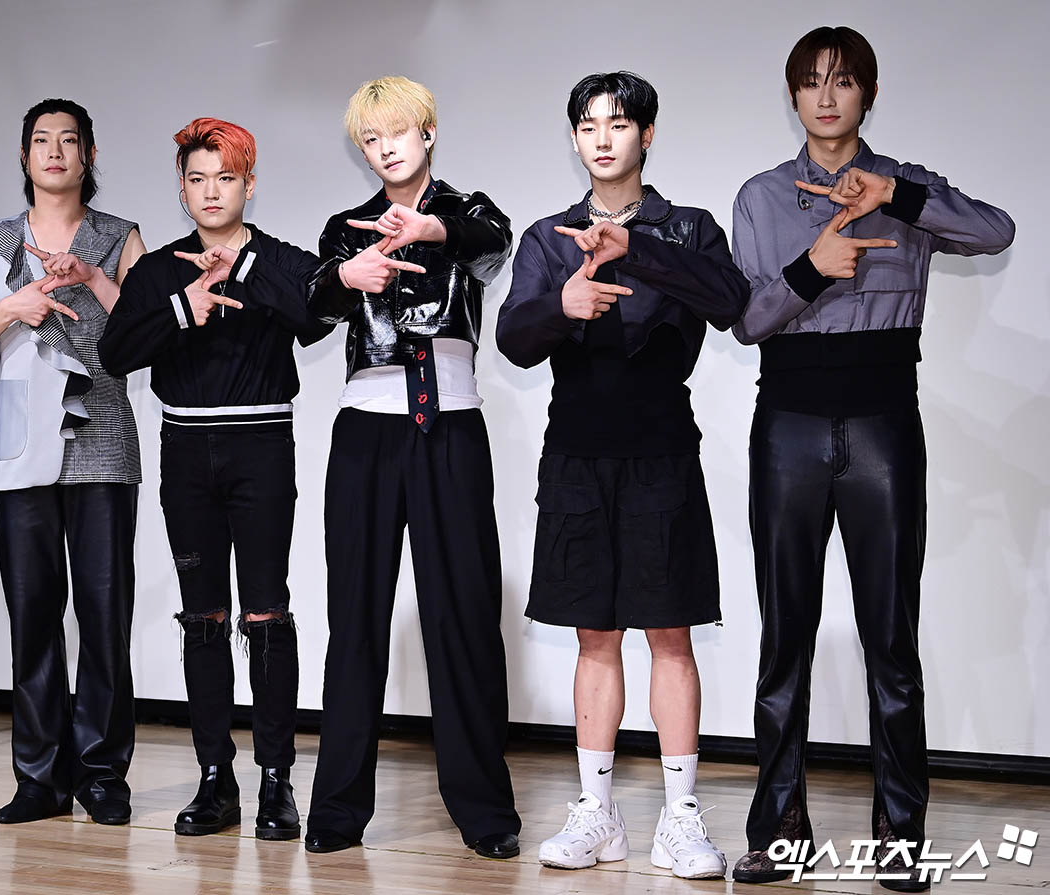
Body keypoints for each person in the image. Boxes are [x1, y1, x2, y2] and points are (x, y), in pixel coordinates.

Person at [728, 27, 1015, 891]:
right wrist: (813, 268)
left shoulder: (902, 187)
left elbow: (995, 231)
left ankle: (899, 832)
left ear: (869, 94)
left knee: (891, 637)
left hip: (885, 426)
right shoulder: (761, 196)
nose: (827, 97)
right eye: (811, 82)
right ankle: (781, 827)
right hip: (789, 428)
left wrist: (900, 195)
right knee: (786, 635)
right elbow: (747, 319)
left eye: (844, 80)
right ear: (792, 96)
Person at [496, 71, 748, 879]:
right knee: (593, 634)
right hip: (575, 454)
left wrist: (637, 248)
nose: (602, 138)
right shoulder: (549, 237)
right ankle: (596, 812)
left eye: (618, 123)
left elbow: (732, 302)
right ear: (574, 138)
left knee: (670, 633)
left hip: (661, 450)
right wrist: (560, 305)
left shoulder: (689, 228)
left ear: (647, 134)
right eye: (588, 125)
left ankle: (680, 816)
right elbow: (512, 338)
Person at [302, 76, 521, 859]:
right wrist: (345, 276)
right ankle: (336, 811)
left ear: (427, 131)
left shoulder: (470, 212)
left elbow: (492, 246)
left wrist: (430, 229)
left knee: (463, 618)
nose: (385, 147)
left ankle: (485, 811)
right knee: (355, 619)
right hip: (366, 431)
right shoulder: (346, 228)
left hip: (450, 427)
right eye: (370, 138)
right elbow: (311, 309)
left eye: (396, 131)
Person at [98, 118, 329, 839]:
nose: (210, 192)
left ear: (248, 184)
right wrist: (184, 307)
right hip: (186, 452)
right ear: (181, 187)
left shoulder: (280, 258)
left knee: (266, 613)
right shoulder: (158, 271)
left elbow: (317, 317)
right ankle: (214, 778)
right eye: (197, 179)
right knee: (203, 616)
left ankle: (276, 782)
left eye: (225, 178)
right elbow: (115, 353)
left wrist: (244, 269)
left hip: (262, 448)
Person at [0, 98, 146, 825]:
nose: (54, 151)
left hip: (103, 441)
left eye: (68, 139)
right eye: (40, 140)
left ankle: (102, 774)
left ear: (88, 155)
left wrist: (91, 277)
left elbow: (146, 335)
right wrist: (12, 307)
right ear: (24, 156)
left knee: (104, 614)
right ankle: (38, 778)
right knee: (32, 614)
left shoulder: (120, 236)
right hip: (23, 444)